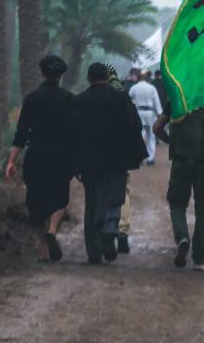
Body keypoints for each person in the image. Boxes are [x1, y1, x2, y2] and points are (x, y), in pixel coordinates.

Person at [70, 63, 148, 264]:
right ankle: (110, 227)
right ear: (107, 77)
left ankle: (94, 252)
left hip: (90, 162)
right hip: (117, 159)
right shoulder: (121, 98)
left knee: (93, 202)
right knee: (115, 196)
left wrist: (75, 164)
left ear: (89, 78)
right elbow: (136, 125)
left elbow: (73, 133)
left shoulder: (79, 100)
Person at [6, 55, 75, 263]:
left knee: (35, 200)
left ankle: (43, 250)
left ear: (42, 73)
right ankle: (52, 231)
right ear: (61, 75)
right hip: (61, 156)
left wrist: (11, 161)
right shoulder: (70, 99)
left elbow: (21, 133)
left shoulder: (31, 99)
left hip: (36, 156)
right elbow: (76, 131)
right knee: (60, 197)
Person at [153, 102, 204, 271]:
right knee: (203, 208)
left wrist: (171, 142)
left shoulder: (177, 98)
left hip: (181, 161)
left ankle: (182, 237)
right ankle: (200, 259)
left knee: (177, 204)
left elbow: (157, 127)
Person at [130, 71, 161, 165]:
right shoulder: (151, 88)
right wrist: (159, 113)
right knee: (151, 136)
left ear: (139, 78)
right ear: (147, 78)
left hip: (138, 112)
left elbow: (128, 99)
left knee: (139, 136)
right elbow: (156, 101)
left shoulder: (134, 87)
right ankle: (150, 159)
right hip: (150, 113)